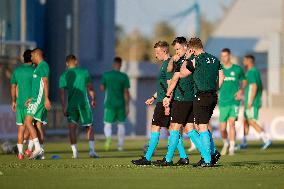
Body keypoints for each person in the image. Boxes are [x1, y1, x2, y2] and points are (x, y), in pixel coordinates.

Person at [131, 40, 187, 165]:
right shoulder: (164, 64)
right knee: (172, 130)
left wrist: (167, 103)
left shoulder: (169, 65)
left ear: (165, 51)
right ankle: (183, 157)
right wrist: (153, 97)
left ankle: (147, 158)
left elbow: (170, 85)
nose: (156, 55)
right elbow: (163, 87)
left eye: (157, 52)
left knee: (155, 128)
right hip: (162, 100)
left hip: (164, 102)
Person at [179, 37, 224, 167]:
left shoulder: (195, 60)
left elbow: (182, 74)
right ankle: (212, 153)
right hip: (213, 96)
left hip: (201, 96)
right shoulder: (215, 59)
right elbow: (222, 77)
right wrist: (214, 90)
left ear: (192, 49)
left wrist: (187, 58)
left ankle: (207, 159)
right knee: (202, 126)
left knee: (202, 127)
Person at [59, 54, 99, 158]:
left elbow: (62, 93)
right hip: (83, 104)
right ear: (76, 61)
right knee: (89, 126)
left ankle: (75, 153)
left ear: (67, 63)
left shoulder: (63, 75)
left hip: (71, 104)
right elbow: (90, 87)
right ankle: (91, 151)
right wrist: (93, 99)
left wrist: (64, 106)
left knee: (72, 128)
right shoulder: (84, 72)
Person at [240, 54, 271, 149]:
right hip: (250, 101)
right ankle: (244, 142)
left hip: (251, 101)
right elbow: (260, 87)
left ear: (250, 61)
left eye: (245, 60)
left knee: (251, 121)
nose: (243, 61)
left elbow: (254, 86)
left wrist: (251, 101)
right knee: (245, 121)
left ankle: (266, 139)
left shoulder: (251, 72)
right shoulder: (255, 71)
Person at [218, 48, 246, 156]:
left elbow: (244, 80)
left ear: (229, 56)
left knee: (232, 124)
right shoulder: (219, 70)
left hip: (234, 101)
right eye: (222, 56)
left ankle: (232, 148)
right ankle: (226, 143)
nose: (224, 58)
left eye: (226, 55)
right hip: (223, 101)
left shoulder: (237, 69)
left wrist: (241, 91)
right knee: (222, 129)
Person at [25, 48, 51, 159]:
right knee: (38, 125)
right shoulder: (38, 67)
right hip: (36, 99)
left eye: (32, 56)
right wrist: (32, 98)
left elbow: (45, 82)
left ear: (37, 54)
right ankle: (40, 152)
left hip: (39, 100)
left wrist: (46, 98)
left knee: (27, 121)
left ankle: (38, 148)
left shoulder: (43, 65)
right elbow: (38, 86)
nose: (31, 58)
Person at [100, 57, 130, 151]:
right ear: (120, 65)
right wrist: (127, 106)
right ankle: (120, 145)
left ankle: (108, 137)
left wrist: (108, 87)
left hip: (109, 103)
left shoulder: (106, 75)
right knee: (121, 125)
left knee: (107, 124)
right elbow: (126, 92)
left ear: (113, 64)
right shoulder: (124, 76)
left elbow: (102, 88)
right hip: (121, 104)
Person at [10, 49, 35, 159]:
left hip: (20, 103)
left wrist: (14, 101)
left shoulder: (17, 71)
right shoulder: (35, 70)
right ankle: (29, 150)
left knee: (21, 128)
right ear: (32, 58)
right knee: (31, 127)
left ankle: (20, 153)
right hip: (32, 103)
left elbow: (13, 86)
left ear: (23, 58)